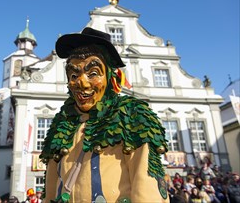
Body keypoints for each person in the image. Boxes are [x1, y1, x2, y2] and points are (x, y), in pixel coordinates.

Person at [39, 27, 169, 202]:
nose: (81, 83)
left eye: (93, 73)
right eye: (74, 74)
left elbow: (147, 187)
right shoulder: (61, 123)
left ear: (112, 80)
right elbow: (51, 188)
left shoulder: (131, 115)